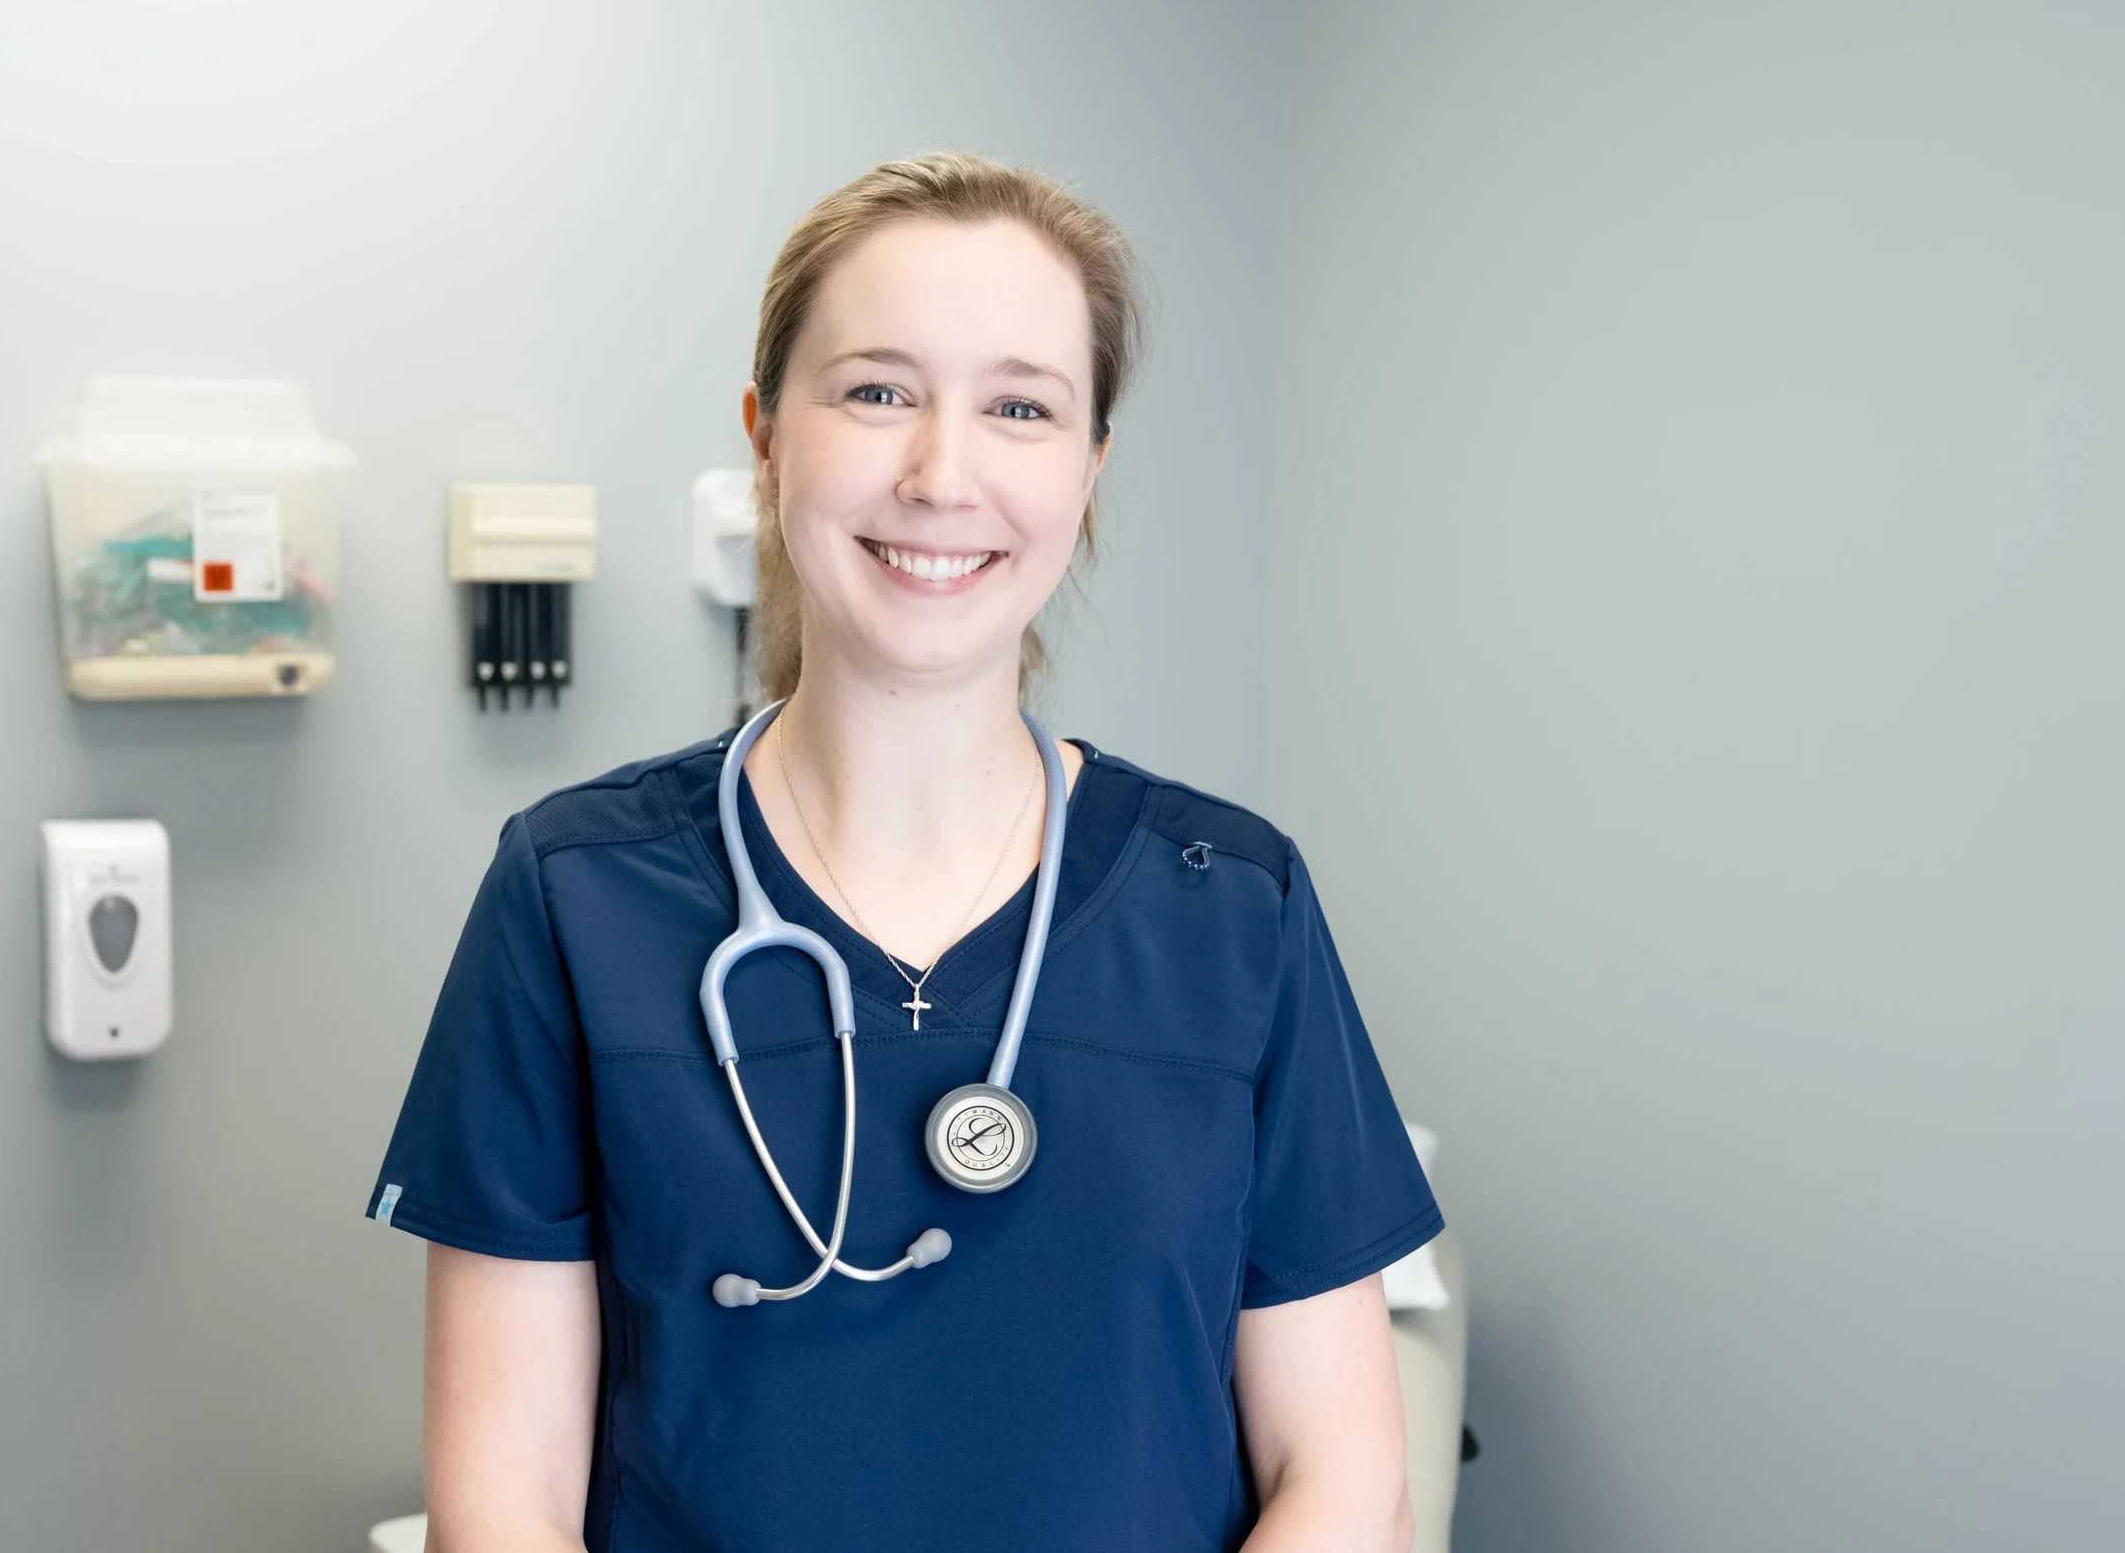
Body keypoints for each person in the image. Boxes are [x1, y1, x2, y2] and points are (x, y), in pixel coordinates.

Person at [369, 153, 1441, 1552]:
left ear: (1091, 460)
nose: (944, 474)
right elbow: (500, 1509)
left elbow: (1344, 1476)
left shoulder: (1235, 907)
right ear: (765, 433)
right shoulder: (575, 898)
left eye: (1020, 406)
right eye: (877, 390)